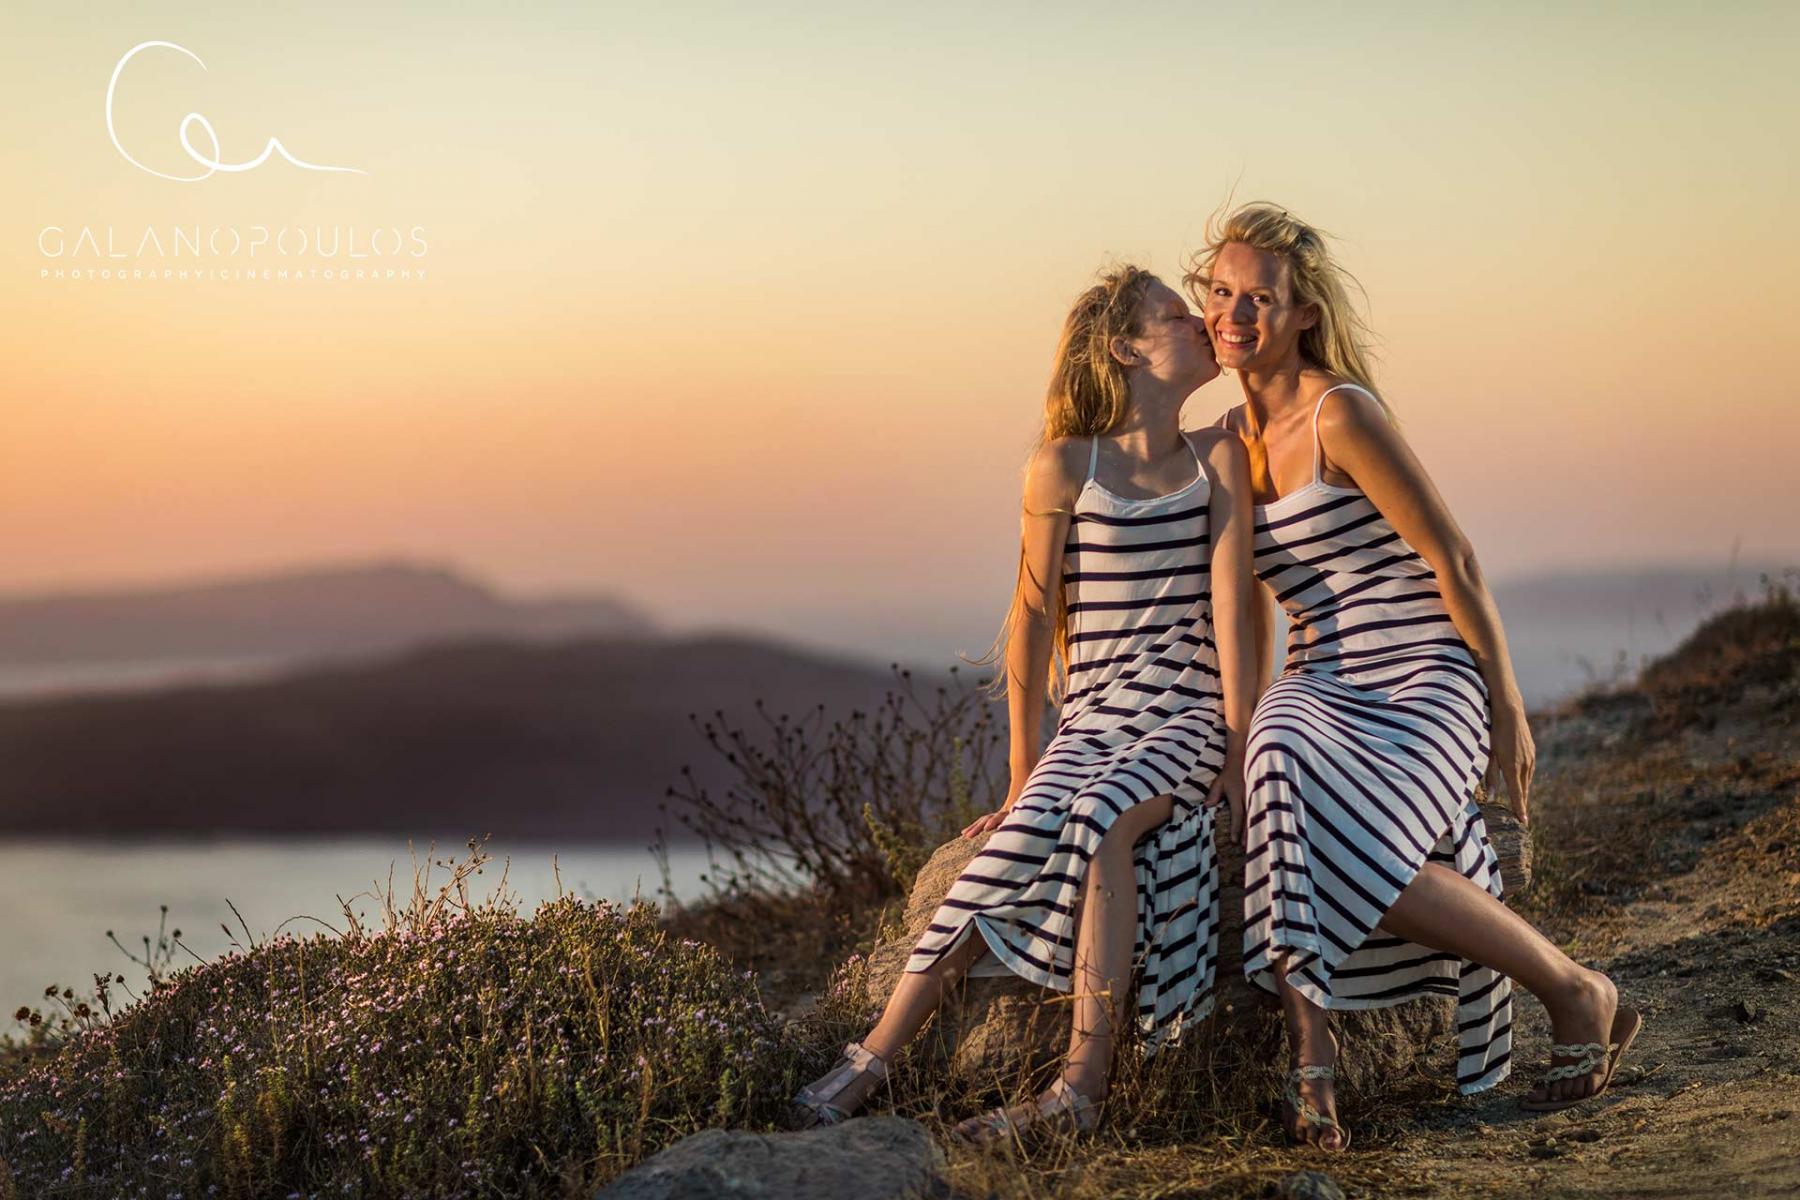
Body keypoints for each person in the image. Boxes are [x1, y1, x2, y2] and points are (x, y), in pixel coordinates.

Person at [1188, 203, 1642, 1150]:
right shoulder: (1223, 441)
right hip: (1324, 686)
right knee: (1269, 747)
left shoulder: (1341, 412)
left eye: (1259, 297)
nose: (1236, 313)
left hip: (1426, 679)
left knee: (1349, 842)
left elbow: (1455, 556)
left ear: (1302, 312)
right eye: (1221, 292)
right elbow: (1245, 607)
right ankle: (1313, 1057)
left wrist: (1506, 702)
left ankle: (1574, 989)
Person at [791, 265, 1257, 1143]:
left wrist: (1236, 746)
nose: (1203, 321)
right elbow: (1033, 616)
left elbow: (1236, 612)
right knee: (1024, 831)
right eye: (1174, 314)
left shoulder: (1217, 457)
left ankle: (1079, 1085)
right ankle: (872, 1059)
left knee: (1108, 817)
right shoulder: (1063, 465)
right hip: (1091, 718)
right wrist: (1021, 773)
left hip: (1186, 715)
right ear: (1124, 347)